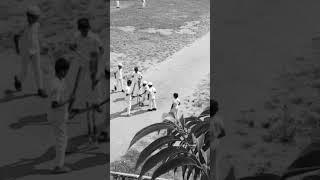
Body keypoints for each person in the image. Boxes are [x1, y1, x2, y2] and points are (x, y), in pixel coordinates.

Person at [13, 5, 47, 97]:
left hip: (35, 50)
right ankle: (18, 80)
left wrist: (43, 46)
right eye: (35, 17)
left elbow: (39, 36)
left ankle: (40, 89)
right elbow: (15, 37)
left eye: (37, 17)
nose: (36, 19)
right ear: (29, 16)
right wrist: (17, 48)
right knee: (25, 71)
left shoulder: (37, 24)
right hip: (25, 51)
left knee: (38, 69)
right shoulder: (23, 25)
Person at [69, 18, 104, 108]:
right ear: (79, 29)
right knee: (78, 83)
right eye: (82, 29)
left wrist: (96, 56)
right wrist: (72, 46)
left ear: (88, 28)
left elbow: (101, 49)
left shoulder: (94, 37)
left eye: (85, 28)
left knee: (95, 83)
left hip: (93, 63)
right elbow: (72, 45)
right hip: (81, 63)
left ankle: (97, 103)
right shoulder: (76, 36)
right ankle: (76, 105)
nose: (84, 31)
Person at [48, 58, 73, 173]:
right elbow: (55, 104)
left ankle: (59, 163)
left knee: (61, 140)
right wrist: (68, 101)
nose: (67, 72)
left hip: (60, 115)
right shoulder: (56, 85)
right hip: (57, 117)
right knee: (61, 141)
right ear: (61, 70)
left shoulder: (59, 80)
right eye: (65, 70)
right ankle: (58, 166)